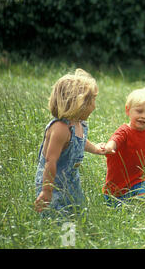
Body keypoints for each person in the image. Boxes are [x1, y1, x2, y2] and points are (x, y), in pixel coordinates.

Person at [34, 69, 113, 216]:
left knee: (76, 213)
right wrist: (46, 190)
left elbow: (79, 141)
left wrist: (95, 148)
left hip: (71, 181)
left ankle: (72, 237)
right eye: (92, 101)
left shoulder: (79, 123)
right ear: (78, 103)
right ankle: (60, 238)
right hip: (53, 182)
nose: (94, 106)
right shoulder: (60, 129)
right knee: (57, 217)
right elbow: (50, 162)